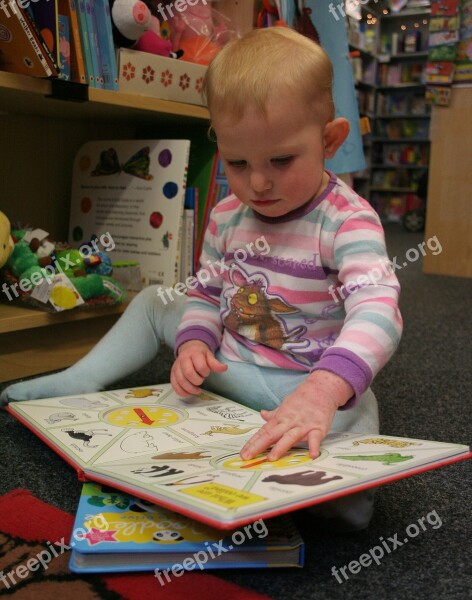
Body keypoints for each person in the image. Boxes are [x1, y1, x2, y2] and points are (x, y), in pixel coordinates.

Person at [1, 27, 402, 530]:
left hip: (302, 384)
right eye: (237, 162)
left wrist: (324, 389)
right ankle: (83, 377)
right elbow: (206, 292)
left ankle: (338, 490)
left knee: (354, 407)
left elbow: (378, 308)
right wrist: (194, 340)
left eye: (281, 160)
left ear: (329, 140)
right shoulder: (229, 215)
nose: (258, 182)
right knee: (153, 300)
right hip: (229, 365)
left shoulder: (346, 220)